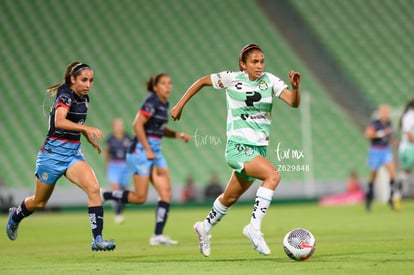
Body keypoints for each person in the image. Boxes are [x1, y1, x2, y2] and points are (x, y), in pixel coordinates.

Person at [170, 44, 301, 257]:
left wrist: (296, 88)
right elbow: (203, 81)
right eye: (254, 62)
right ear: (243, 64)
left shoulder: (270, 80)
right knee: (273, 175)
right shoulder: (232, 78)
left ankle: (204, 228)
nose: (259, 66)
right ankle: (254, 228)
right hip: (238, 147)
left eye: (262, 61)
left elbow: (293, 103)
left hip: (258, 150)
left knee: (229, 198)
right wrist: (179, 105)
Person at [5, 62, 115, 251]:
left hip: (73, 154)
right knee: (39, 202)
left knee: (94, 189)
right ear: (72, 79)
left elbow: (76, 123)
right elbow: (60, 121)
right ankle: (16, 215)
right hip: (52, 156)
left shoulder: (84, 98)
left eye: (91, 80)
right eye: (84, 80)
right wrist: (87, 128)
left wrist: (88, 138)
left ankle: (97, 239)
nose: (88, 84)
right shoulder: (65, 94)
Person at [103, 73, 191, 245]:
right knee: (139, 197)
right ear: (155, 87)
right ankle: (106, 195)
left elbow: (160, 129)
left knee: (166, 192)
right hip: (141, 151)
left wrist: (178, 134)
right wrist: (149, 150)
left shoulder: (164, 104)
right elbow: (137, 125)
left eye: (170, 83)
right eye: (164, 83)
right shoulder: (151, 102)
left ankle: (157, 235)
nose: (168, 86)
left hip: (155, 152)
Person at [364, 104, 396, 211]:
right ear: (380, 113)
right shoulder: (375, 123)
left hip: (385, 150)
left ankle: (391, 197)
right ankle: (369, 198)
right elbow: (368, 134)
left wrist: (393, 141)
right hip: (375, 150)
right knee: (374, 175)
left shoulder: (389, 123)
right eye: (384, 111)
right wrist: (381, 133)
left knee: (392, 173)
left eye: (387, 111)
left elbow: (388, 137)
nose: (385, 114)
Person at [105, 118, 133, 223]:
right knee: (116, 188)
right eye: (117, 125)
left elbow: (131, 152)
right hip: (114, 164)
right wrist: (107, 165)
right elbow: (107, 153)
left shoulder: (128, 137)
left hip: (125, 165)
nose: (120, 127)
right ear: (113, 127)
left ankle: (119, 209)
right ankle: (117, 213)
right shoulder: (110, 139)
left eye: (121, 125)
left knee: (124, 191)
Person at [396, 98, 414, 208]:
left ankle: (397, 195)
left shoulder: (408, 116)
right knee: (405, 171)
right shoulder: (409, 117)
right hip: (409, 148)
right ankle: (397, 194)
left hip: (406, 148)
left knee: (405, 172)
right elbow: (409, 135)